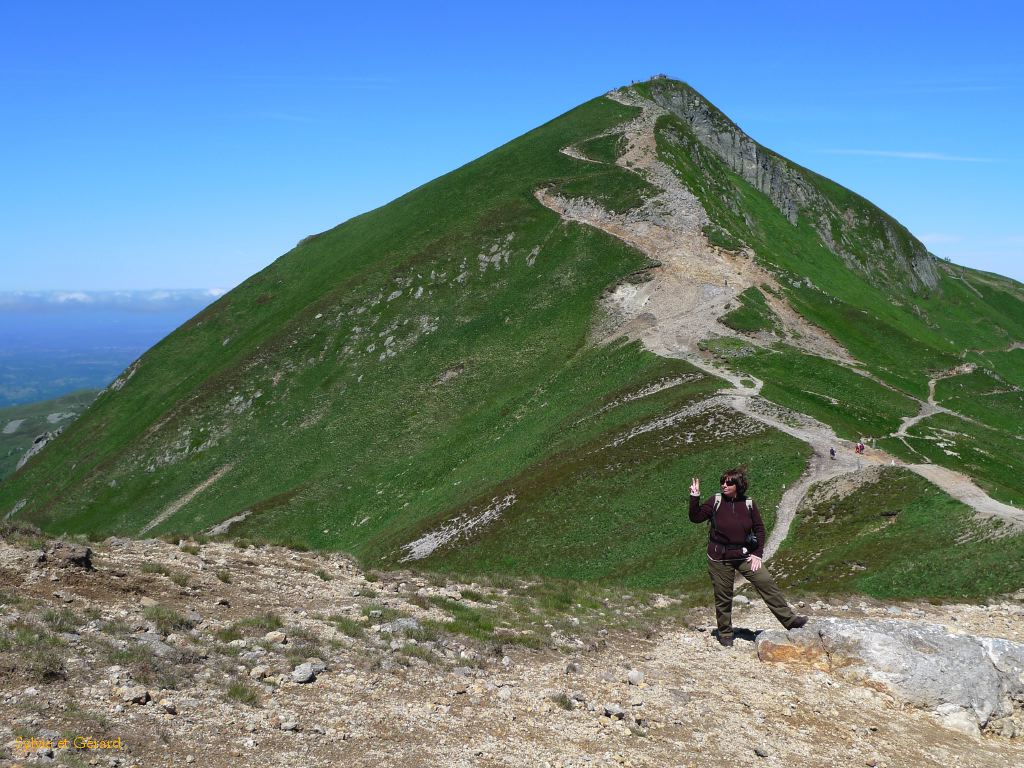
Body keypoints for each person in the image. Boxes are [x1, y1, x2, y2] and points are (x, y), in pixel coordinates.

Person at [689, 468, 807, 647]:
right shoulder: (716, 501)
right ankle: (725, 633)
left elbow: (759, 529)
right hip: (720, 557)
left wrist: (757, 554)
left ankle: (790, 621)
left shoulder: (749, 503)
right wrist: (695, 497)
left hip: (744, 555)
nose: (724, 485)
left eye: (729, 483)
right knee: (723, 595)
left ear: (738, 485)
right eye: (722, 482)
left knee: (765, 581)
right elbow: (695, 517)